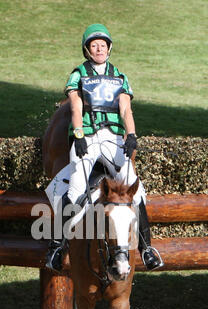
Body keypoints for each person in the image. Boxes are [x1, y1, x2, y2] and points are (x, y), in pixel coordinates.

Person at [46, 24, 163, 273]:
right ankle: (57, 245)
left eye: (102, 45)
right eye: (94, 45)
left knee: (136, 188)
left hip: (113, 138)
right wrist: (78, 135)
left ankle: (146, 248)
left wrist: (130, 135)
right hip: (87, 137)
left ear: (109, 48)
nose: (99, 49)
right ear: (88, 50)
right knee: (75, 188)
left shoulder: (119, 76)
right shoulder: (78, 74)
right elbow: (76, 108)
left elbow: (125, 109)